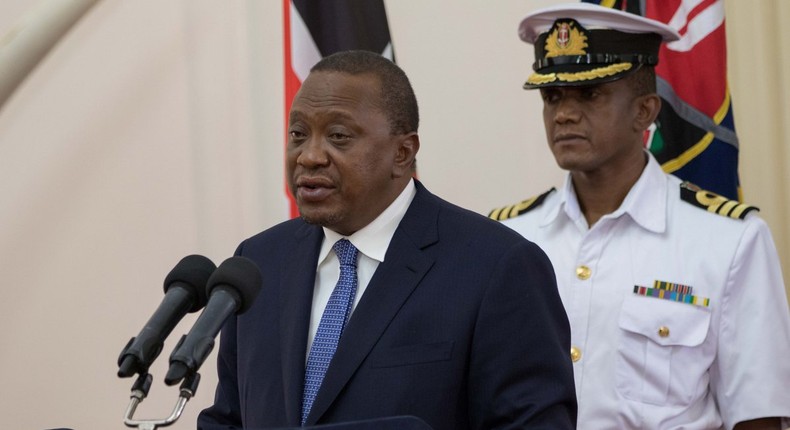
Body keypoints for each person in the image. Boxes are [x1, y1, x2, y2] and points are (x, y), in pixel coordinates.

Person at [197, 50, 577, 430]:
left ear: (402, 153)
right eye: (298, 134)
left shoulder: (496, 267)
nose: (309, 156)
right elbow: (230, 418)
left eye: (338, 136)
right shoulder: (257, 264)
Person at [489, 3, 790, 429]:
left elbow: (758, 417)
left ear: (645, 112)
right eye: (552, 96)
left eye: (590, 94)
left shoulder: (729, 241)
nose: (564, 114)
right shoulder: (506, 237)